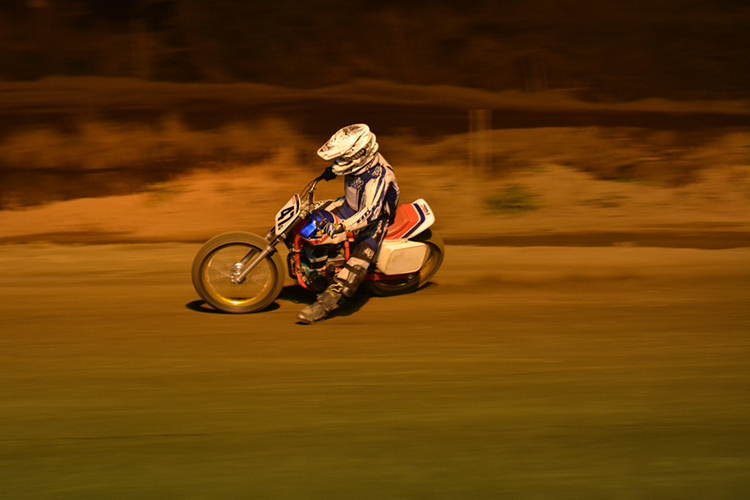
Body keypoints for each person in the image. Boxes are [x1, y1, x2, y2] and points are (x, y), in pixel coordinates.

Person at [297, 123, 400, 324]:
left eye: (345, 158)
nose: (340, 162)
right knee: (307, 212)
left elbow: (370, 213)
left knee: (357, 263)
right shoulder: (359, 162)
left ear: (360, 154)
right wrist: (329, 173)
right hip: (350, 206)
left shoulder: (379, 177)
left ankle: (326, 303)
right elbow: (342, 168)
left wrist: (343, 226)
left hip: (375, 219)